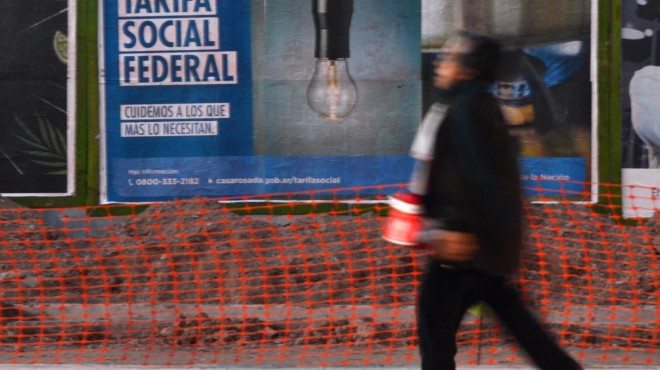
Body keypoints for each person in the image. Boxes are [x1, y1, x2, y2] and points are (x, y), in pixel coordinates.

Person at [411, 30, 584, 370]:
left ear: (468, 68)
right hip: (485, 246)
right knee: (519, 327)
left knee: (435, 334)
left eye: (449, 57)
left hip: (465, 247)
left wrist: (454, 228)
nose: (440, 62)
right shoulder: (472, 104)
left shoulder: (467, 107)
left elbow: (471, 173)